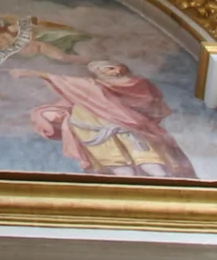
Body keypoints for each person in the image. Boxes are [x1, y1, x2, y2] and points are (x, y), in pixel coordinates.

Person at [30, 60, 196, 177]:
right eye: (101, 71)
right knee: (119, 169)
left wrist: (43, 74)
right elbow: (69, 103)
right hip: (99, 137)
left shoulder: (130, 84)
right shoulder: (87, 91)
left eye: (109, 69)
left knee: (151, 164)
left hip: (129, 131)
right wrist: (46, 113)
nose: (104, 73)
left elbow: (141, 97)